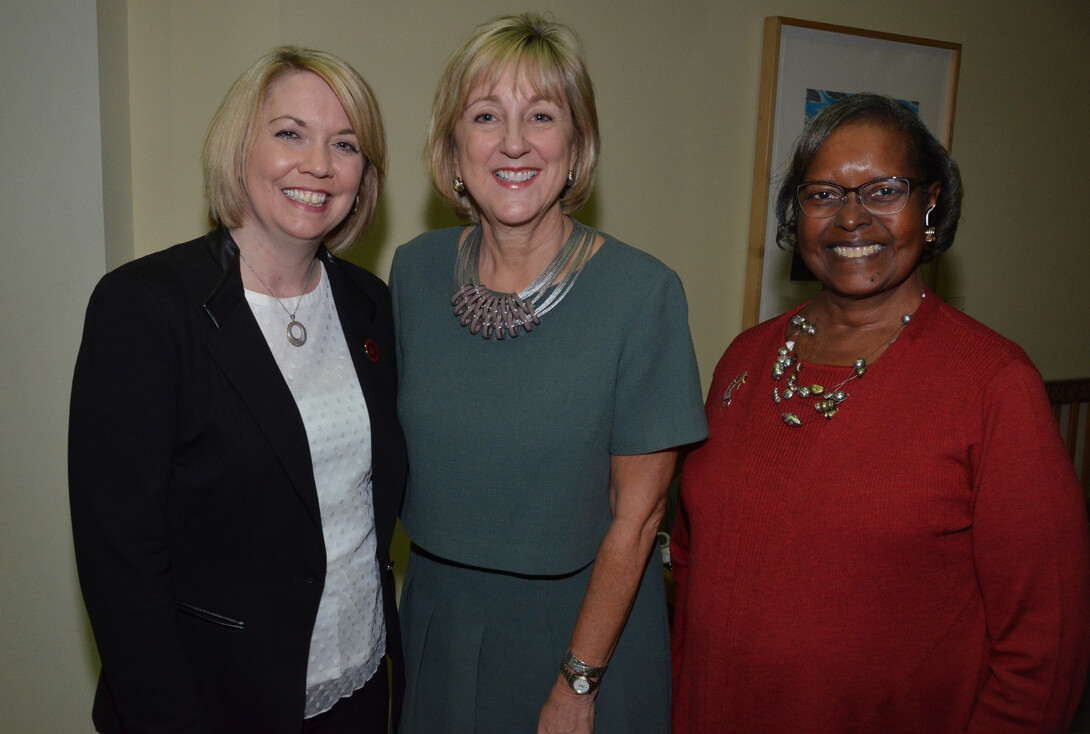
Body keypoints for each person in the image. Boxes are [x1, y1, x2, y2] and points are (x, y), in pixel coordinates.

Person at [671, 92, 1090, 733]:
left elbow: (1045, 642)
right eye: (823, 195)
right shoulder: (743, 361)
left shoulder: (994, 386)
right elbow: (698, 566)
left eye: (883, 191)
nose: (851, 219)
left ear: (931, 205)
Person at [69, 46, 406, 734]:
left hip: (360, 683)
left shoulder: (371, 305)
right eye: (290, 133)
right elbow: (121, 566)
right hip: (213, 705)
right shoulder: (144, 307)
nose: (318, 164)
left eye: (345, 145)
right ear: (239, 147)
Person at [388, 13, 707, 734]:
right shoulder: (414, 272)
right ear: (454, 148)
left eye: (540, 114)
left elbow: (641, 516)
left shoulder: (642, 293)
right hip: (436, 621)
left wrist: (579, 681)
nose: (512, 142)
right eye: (485, 115)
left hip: (582, 637)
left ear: (576, 145)